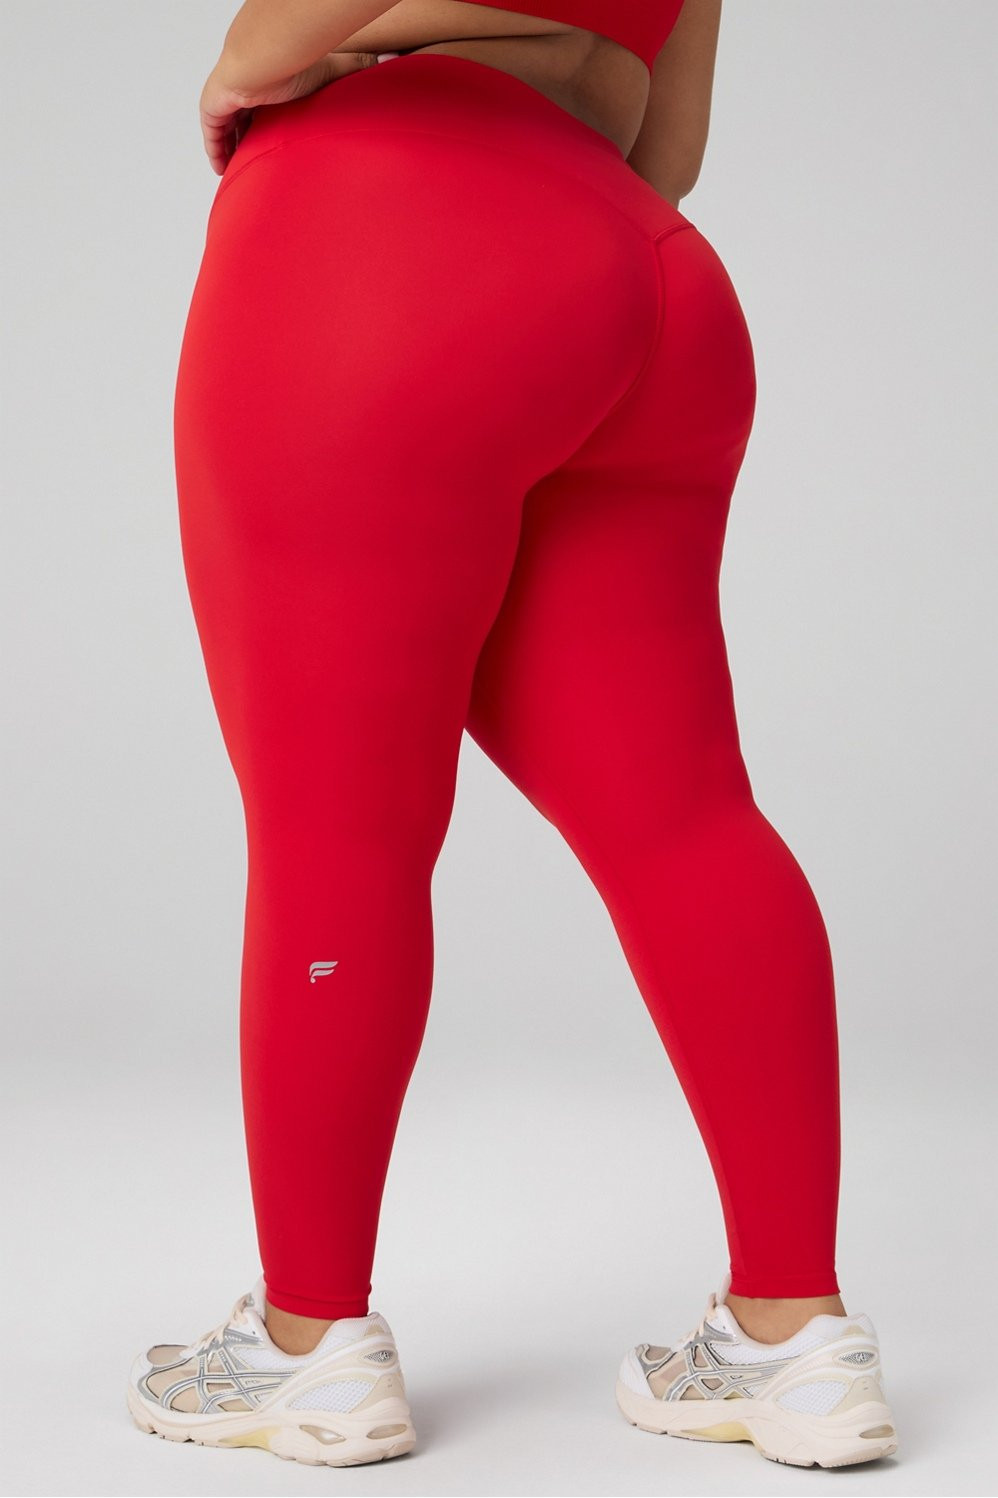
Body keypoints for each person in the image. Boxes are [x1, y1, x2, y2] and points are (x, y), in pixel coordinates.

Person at [126, 0, 897, 1471]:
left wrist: (245, 70)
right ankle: (794, 1336)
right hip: (638, 271)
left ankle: (309, 1344)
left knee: (336, 828)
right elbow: (665, 143)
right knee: (684, 815)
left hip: (381, 248)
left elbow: (289, 27)